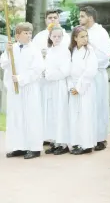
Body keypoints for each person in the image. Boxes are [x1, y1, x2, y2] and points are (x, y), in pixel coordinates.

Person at [1, 22, 44, 159]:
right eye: (25, 33)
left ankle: (34, 147)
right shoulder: (12, 48)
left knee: (31, 117)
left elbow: (38, 69)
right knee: (16, 117)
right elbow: (3, 64)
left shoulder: (34, 49)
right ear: (17, 35)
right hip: (15, 90)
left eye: (30, 33)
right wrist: (7, 52)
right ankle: (19, 146)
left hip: (29, 87)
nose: (29, 35)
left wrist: (20, 78)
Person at [79, 6, 110, 151]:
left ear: (90, 18)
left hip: (97, 74)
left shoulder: (101, 33)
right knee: (87, 106)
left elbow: (104, 56)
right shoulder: (82, 32)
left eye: (82, 16)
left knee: (99, 105)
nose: (79, 19)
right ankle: (87, 136)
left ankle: (100, 138)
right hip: (84, 75)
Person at [68, 26, 98, 155]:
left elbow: (90, 71)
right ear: (75, 38)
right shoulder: (72, 50)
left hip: (85, 87)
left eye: (86, 36)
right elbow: (68, 70)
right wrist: (71, 86)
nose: (85, 39)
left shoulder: (89, 51)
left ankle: (86, 144)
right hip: (73, 86)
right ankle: (76, 141)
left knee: (85, 115)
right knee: (75, 115)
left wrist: (79, 87)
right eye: (82, 36)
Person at [43, 25, 71, 155]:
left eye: (59, 36)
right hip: (50, 86)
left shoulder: (64, 51)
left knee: (61, 112)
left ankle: (63, 142)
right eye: (54, 36)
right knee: (52, 113)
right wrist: (45, 74)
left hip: (60, 84)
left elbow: (65, 70)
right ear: (50, 37)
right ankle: (54, 141)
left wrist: (50, 75)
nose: (57, 38)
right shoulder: (49, 51)